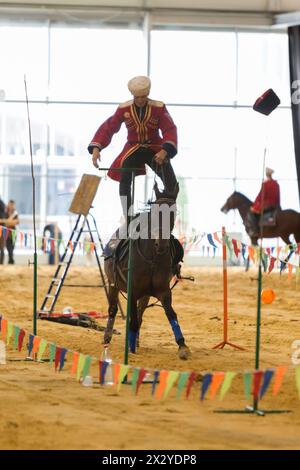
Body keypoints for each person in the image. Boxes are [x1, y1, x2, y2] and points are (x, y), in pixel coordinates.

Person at [88, 76, 178, 225]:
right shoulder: (123, 109)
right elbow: (109, 127)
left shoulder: (159, 108)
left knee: (172, 183)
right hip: (133, 148)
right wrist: (97, 147)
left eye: (144, 97)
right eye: (137, 97)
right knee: (124, 179)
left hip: (155, 148)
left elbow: (169, 129)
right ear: (132, 95)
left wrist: (165, 150)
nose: (141, 100)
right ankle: (129, 217)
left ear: (148, 94)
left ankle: (163, 215)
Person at [247, 167, 281, 236]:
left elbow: (261, 196)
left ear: (267, 174)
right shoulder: (276, 184)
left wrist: (254, 205)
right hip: (276, 205)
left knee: (251, 212)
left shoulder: (265, 183)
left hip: (266, 204)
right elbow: (278, 196)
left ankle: (255, 231)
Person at [4, 200, 19, 264]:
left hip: (13, 232)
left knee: (12, 247)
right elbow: (5, 223)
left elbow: (17, 222)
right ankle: (11, 260)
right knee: (8, 246)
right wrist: (12, 222)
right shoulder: (5, 212)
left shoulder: (15, 213)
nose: (11, 206)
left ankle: (11, 260)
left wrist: (9, 222)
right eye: (10, 204)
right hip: (6, 232)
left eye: (12, 205)